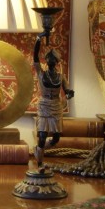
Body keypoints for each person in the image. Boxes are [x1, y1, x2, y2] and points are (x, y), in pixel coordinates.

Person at [33, 32, 74, 160]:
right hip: (44, 106)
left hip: (56, 107)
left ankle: (39, 150)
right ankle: (40, 162)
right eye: (49, 58)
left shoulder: (61, 77)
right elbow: (35, 57)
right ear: (46, 60)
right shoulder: (41, 73)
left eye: (53, 58)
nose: (51, 60)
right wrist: (39, 39)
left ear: (56, 61)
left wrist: (69, 93)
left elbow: (67, 89)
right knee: (42, 135)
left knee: (56, 138)